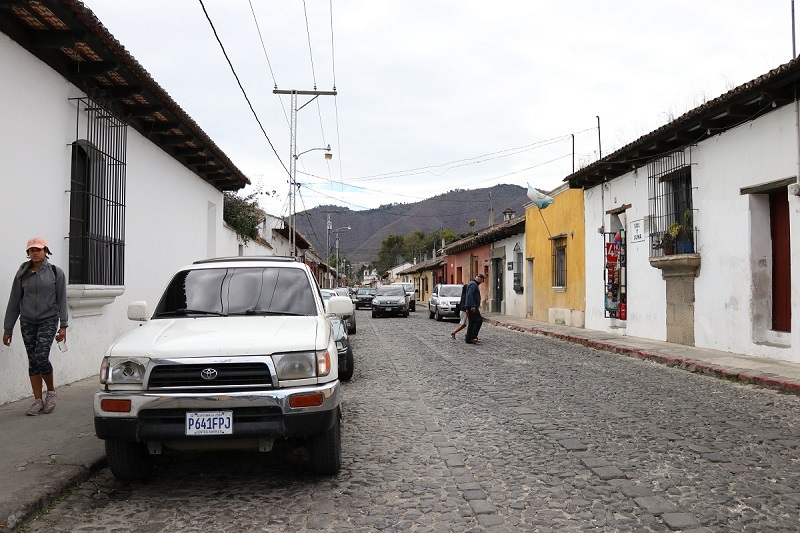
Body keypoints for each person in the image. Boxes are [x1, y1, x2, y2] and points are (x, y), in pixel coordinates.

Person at [3, 238, 68, 416]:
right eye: (32, 250)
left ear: (45, 251)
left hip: (49, 319)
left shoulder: (55, 272)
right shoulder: (22, 273)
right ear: (28, 253)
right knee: (33, 361)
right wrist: (8, 329)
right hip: (27, 321)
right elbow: (14, 301)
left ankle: (51, 392)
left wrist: (63, 325)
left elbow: (62, 299)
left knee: (41, 356)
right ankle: (37, 400)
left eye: (38, 249)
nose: (35, 253)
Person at [464, 273, 484, 344]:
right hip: (472, 306)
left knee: (472, 322)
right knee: (478, 320)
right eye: (482, 281)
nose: (481, 282)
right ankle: (473, 337)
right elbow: (470, 294)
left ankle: (468, 338)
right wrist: (472, 306)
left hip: (469, 305)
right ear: (480, 279)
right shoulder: (473, 284)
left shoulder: (472, 283)